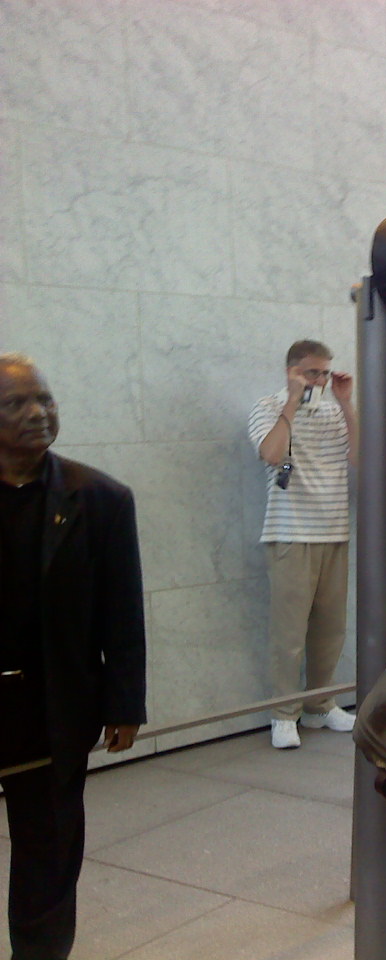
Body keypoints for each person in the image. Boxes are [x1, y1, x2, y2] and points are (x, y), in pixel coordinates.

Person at [0, 353, 146, 960]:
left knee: (50, 854)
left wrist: (125, 704)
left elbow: (122, 611)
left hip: (50, 710)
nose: (38, 413)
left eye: (46, 399)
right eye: (17, 404)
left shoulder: (101, 499)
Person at [248, 340, 357, 750]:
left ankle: (321, 705)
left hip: (334, 530)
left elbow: (365, 460)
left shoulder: (333, 411)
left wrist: (346, 403)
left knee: (330, 629)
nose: (320, 381)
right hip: (290, 532)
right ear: (291, 370)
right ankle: (283, 713)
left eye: (324, 373)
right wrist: (291, 403)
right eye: (312, 372)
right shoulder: (267, 407)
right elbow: (272, 454)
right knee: (288, 632)